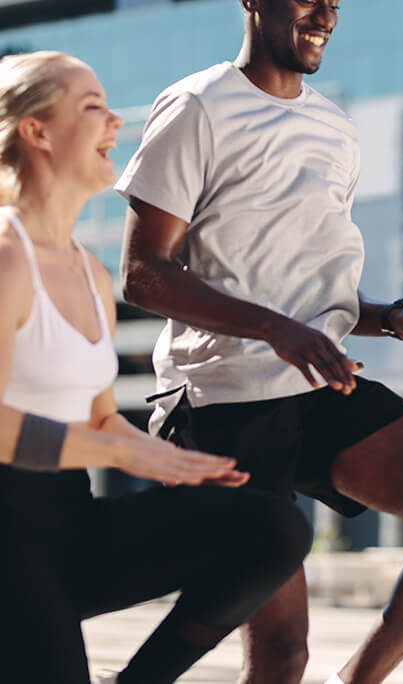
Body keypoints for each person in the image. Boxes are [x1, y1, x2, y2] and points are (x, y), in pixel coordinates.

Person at [115, 2, 403, 683]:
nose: (326, 12)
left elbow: (303, 292)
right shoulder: (196, 107)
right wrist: (275, 327)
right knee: (281, 652)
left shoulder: (335, 127)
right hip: (221, 399)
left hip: (317, 386)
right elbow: (143, 275)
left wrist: (391, 319)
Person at [0, 50, 312, 684]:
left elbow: (96, 416)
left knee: (270, 526)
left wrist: (171, 461)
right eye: (91, 107)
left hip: (68, 524)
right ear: (35, 132)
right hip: (6, 537)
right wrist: (121, 455)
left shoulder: (88, 272)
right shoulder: (6, 257)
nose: (114, 121)